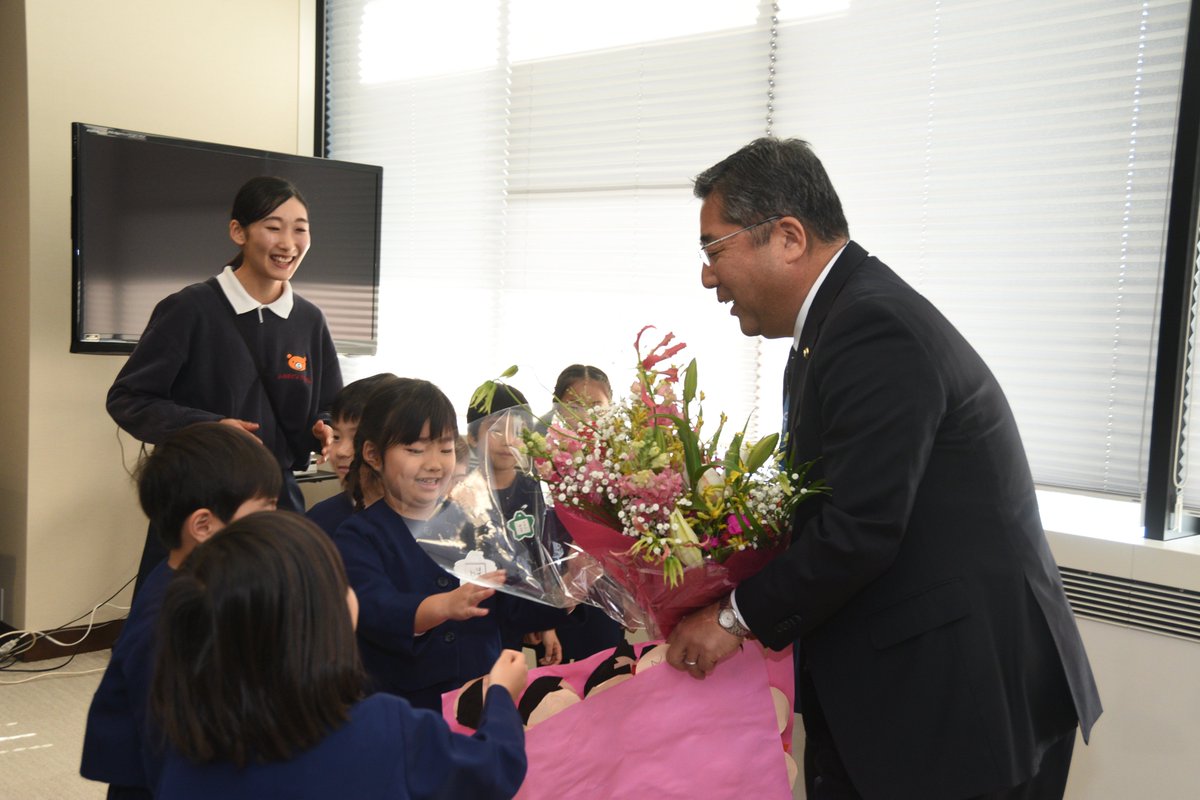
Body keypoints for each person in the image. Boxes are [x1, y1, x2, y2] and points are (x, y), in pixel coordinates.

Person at [666, 137, 1103, 800]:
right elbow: (825, 500)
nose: (707, 277)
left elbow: (859, 529)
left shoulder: (872, 327)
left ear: (787, 237)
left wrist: (733, 617)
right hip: (910, 696)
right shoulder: (833, 325)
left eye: (714, 249)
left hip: (958, 707)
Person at [151, 511, 529, 800]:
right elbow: (493, 770)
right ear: (318, 621)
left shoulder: (187, 756)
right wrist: (500, 697)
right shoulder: (382, 728)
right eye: (340, 582)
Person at [106, 175, 342, 593]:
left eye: (300, 229)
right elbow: (128, 398)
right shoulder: (190, 308)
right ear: (238, 232)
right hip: (199, 498)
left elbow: (329, 405)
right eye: (273, 227)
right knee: (182, 614)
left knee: (281, 609)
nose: (289, 243)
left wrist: (324, 428)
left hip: (277, 496)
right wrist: (210, 428)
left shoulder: (309, 320)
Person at [333, 378, 566, 710]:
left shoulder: (477, 523)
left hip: (479, 696)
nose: (434, 463)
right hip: (404, 708)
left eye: (444, 449)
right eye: (415, 450)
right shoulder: (358, 536)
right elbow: (376, 610)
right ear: (373, 454)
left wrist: (569, 587)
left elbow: (514, 605)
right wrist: (443, 606)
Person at [80, 423, 282, 799]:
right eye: (266, 510)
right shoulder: (167, 625)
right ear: (203, 525)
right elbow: (170, 751)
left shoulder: (202, 576)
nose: (277, 524)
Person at [539, 365, 626, 663]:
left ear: (610, 407)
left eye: (596, 406)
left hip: (606, 597)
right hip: (553, 595)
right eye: (574, 406)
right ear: (557, 407)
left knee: (606, 676)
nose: (585, 416)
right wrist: (545, 613)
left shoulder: (625, 461)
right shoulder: (541, 459)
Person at [307, 372, 397, 538]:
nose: (341, 451)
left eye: (357, 438)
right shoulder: (318, 521)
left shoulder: (433, 523)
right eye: (336, 437)